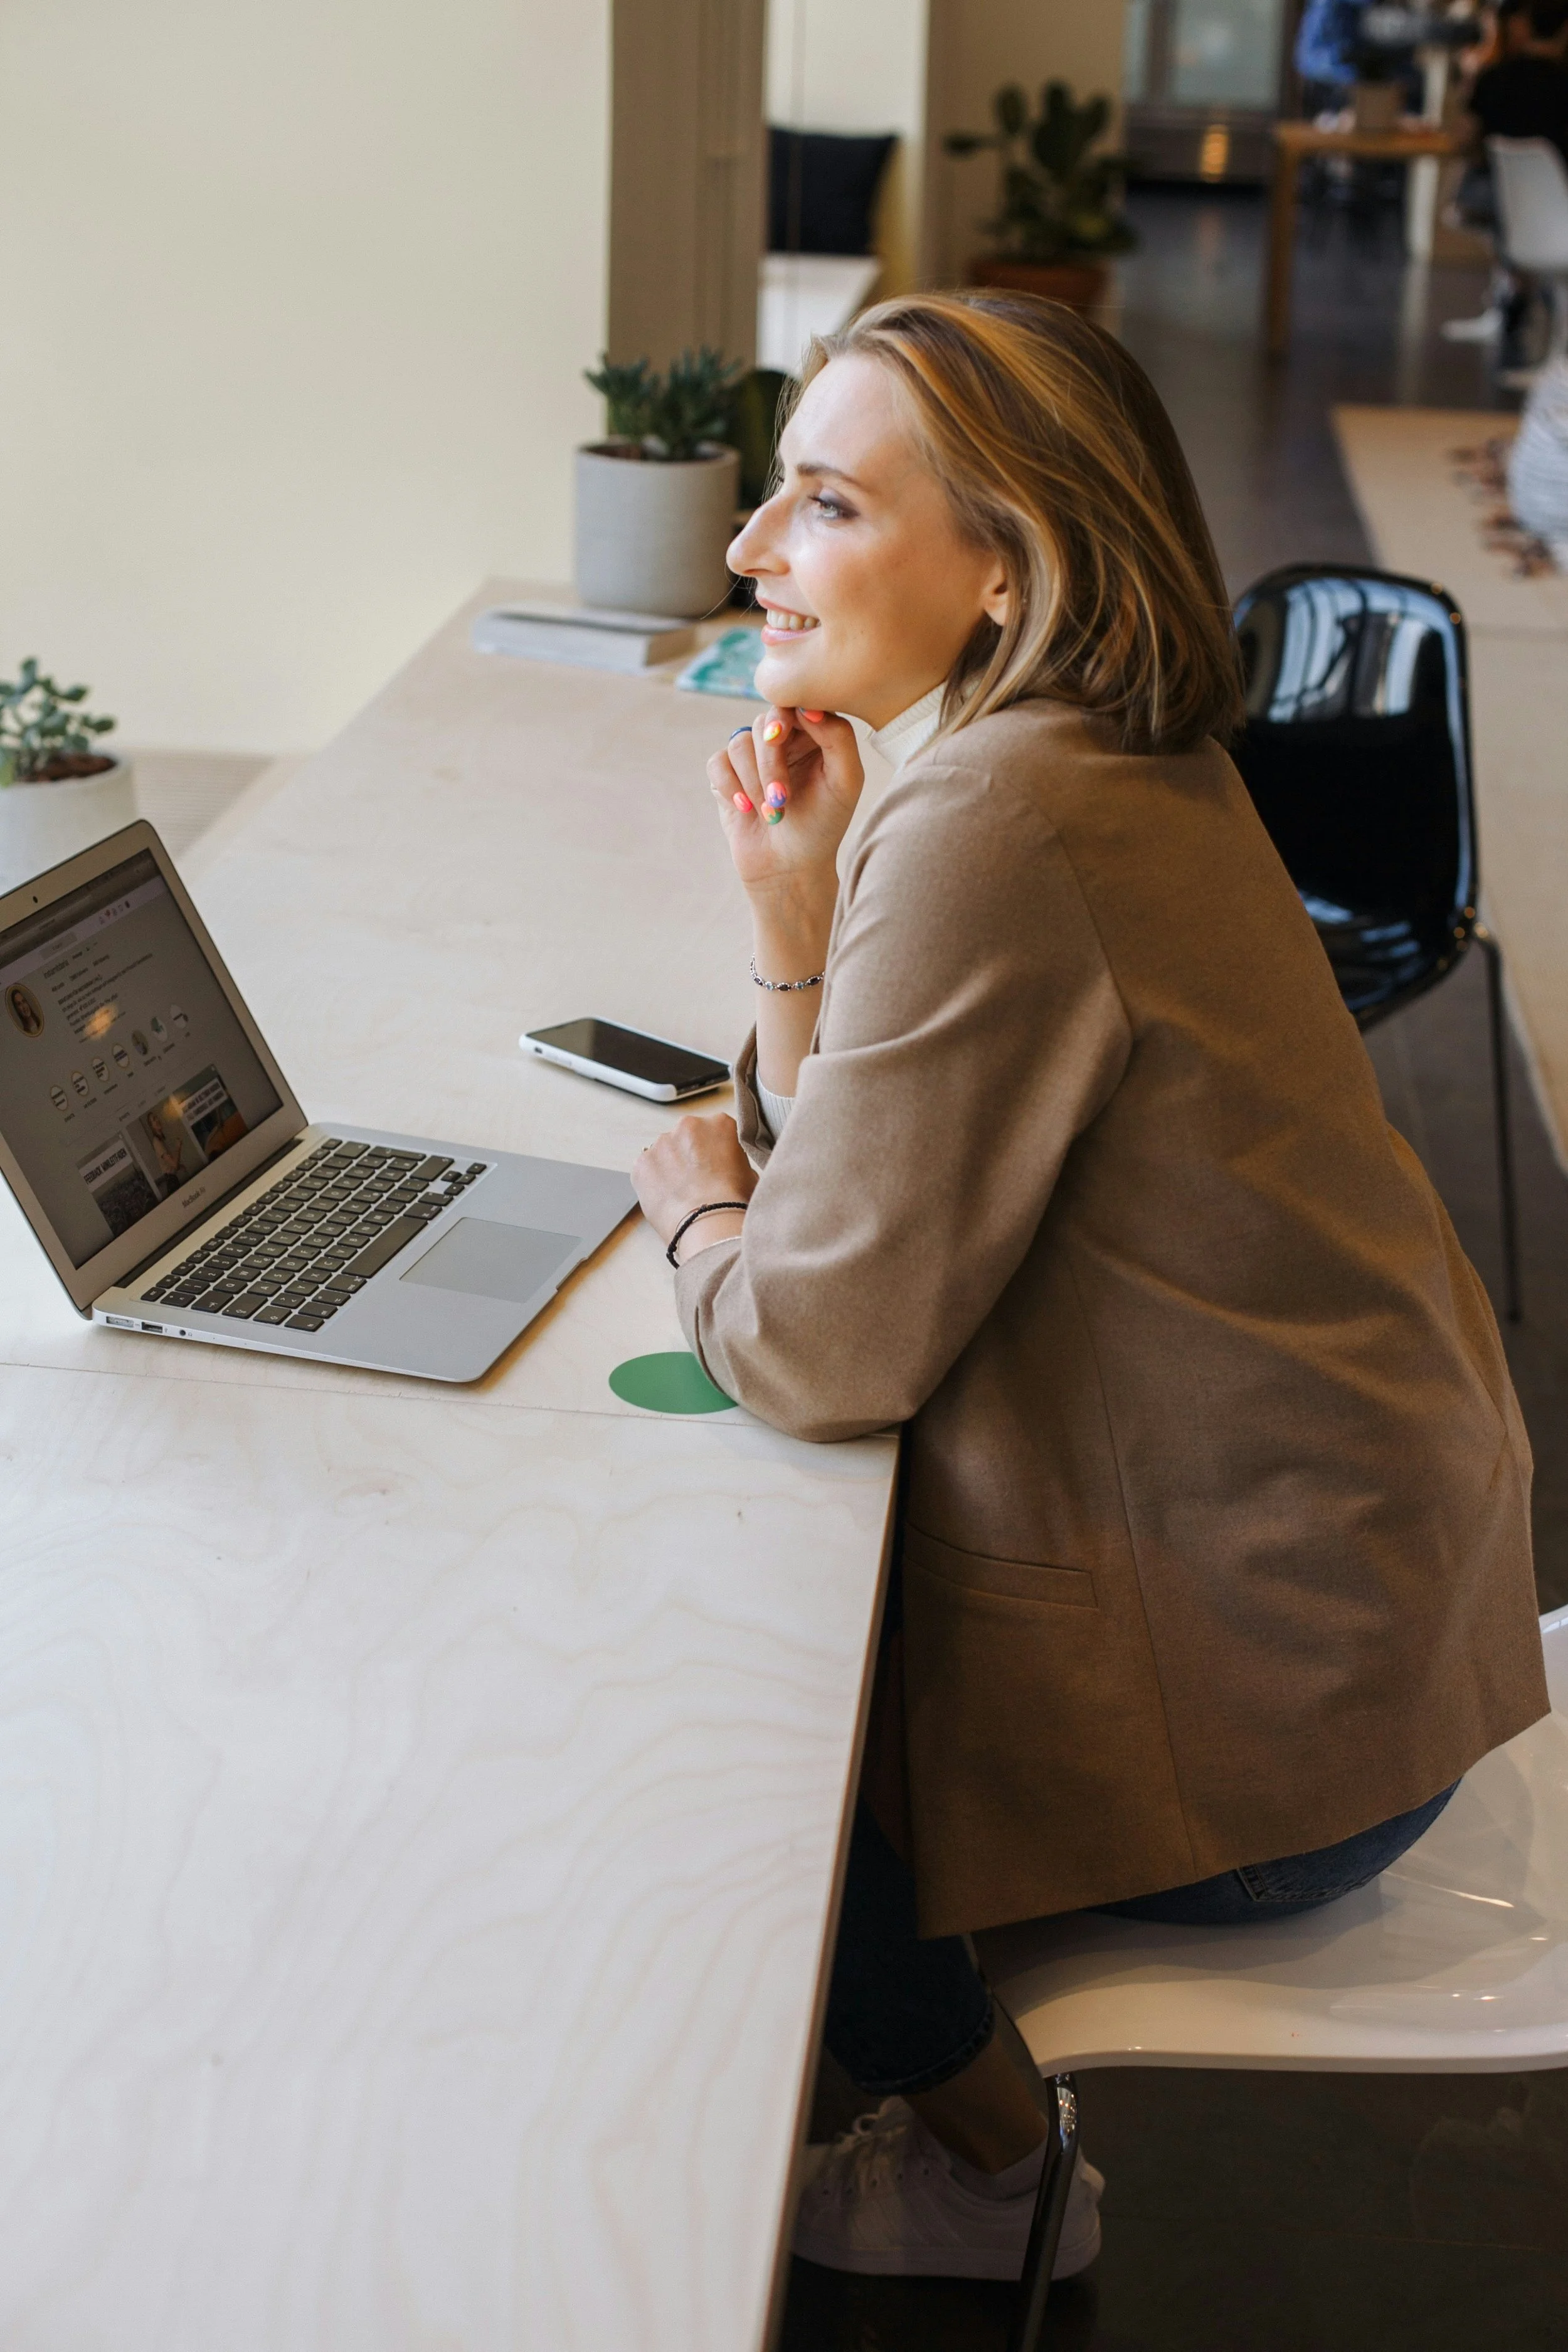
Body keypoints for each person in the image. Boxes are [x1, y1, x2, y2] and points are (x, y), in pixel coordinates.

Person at [632, 293, 1547, 2286]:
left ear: (1004, 566)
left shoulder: (995, 816)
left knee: (711, 1739)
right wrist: (798, 925)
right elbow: (880, 1199)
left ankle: (994, 2181)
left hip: (1284, 1731)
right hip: (1377, 1621)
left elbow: (811, 1338)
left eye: (822, 501)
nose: (747, 548)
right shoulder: (1083, 756)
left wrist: (693, 1211)